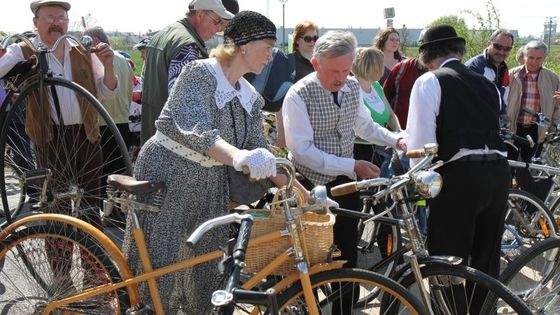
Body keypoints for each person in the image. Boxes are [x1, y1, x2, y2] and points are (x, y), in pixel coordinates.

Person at [122, 11, 309, 313]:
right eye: (267, 46)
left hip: (208, 183)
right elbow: (196, 129)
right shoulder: (200, 73)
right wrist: (238, 157)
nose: (271, 55)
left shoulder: (248, 96)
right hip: (168, 175)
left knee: (206, 267)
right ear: (243, 45)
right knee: (162, 264)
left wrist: (303, 193)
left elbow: (262, 152)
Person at [282, 30, 405, 314]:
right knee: (307, 257)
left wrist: (395, 138)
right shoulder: (299, 94)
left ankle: (343, 310)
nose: (341, 77)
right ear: (315, 64)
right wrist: (352, 165)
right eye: (334, 71)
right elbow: (302, 151)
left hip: (344, 184)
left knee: (347, 255)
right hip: (307, 185)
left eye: (346, 70)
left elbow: (364, 126)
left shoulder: (350, 87)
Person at [406, 25, 510, 311]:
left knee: (446, 260)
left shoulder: (429, 82)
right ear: (459, 52)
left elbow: (421, 147)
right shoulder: (487, 83)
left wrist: (420, 190)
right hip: (498, 173)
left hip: (459, 177)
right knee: (487, 257)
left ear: (426, 56)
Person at [0, 0, 118, 220]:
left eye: (60, 18)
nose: (56, 23)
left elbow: (108, 92)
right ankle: (59, 254)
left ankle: (92, 253)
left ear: (67, 22)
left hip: (88, 136)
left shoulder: (82, 49)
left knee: (90, 207)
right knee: (57, 208)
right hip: (50, 139)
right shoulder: (25, 50)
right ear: (36, 22)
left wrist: (109, 65)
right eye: (49, 18)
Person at [140, 0, 234, 144]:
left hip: (152, 134)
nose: (218, 29)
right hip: (172, 144)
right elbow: (186, 106)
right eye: (217, 22)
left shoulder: (164, 33)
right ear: (201, 15)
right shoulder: (188, 47)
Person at [83, 26, 133, 175]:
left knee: (100, 176)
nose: (83, 46)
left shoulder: (94, 59)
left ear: (96, 41)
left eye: (85, 41)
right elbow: (129, 89)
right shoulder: (124, 60)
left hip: (101, 123)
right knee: (119, 175)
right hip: (122, 122)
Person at [507, 40, 560, 162]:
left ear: (544, 58)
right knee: (508, 167)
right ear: (524, 56)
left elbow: (558, 107)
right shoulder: (512, 75)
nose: (534, 62)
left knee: (530, 169)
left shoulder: (553, 78)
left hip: (537, 130)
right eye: (530, 57)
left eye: (538, 58)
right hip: (513, 127)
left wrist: (552, 128)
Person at [351, 46, 401, 175]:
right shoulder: (351, 87)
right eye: (381, 64)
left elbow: (390, 114)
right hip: (358, 150)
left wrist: (398, 132)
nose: (384, 69)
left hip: (380, 149)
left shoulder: (376, 86)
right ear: (373, 66)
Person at [465, 29, 514, 108]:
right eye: (498, 47)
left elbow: (502, 97)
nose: (501, 52)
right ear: (488, 44)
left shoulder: (504, 68)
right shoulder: (474, 66)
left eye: (507, 49)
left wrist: (502, 113)